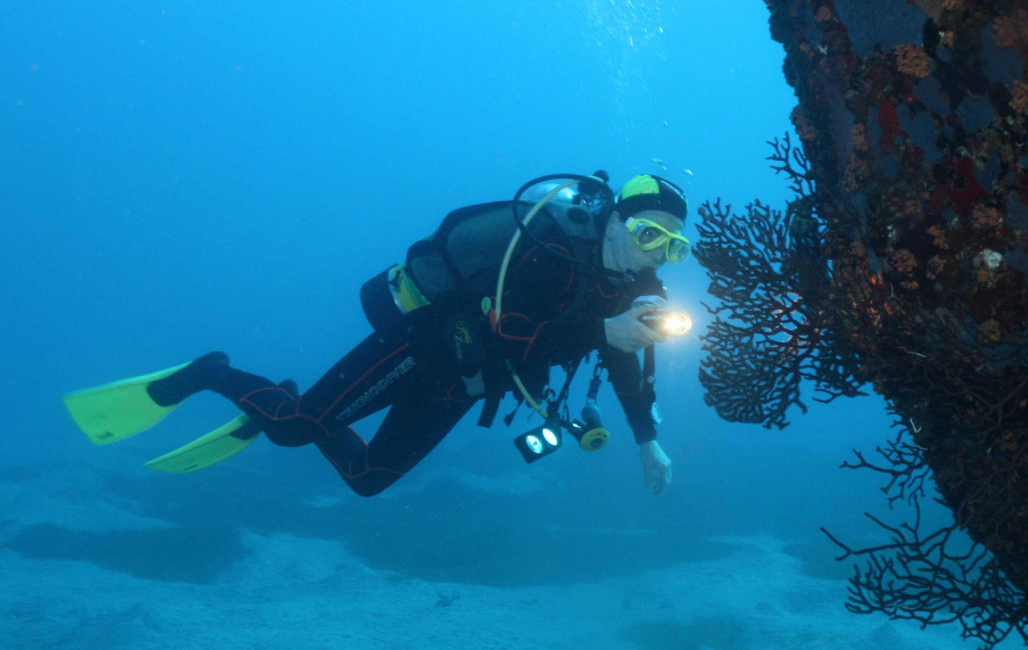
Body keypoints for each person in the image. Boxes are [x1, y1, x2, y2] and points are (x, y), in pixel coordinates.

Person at [63, 174, 692, 495]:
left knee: (369, 480)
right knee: (291, 431)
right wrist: (600, 327)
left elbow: (625, 365)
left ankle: (290, 396)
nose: (657, 254)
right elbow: (511, 329)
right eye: (647, 234)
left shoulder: (637, 293)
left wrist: (647, 440)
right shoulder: (552, 249)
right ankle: (211, 373)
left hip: (465, 388)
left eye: (673, 244)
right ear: (614, 220)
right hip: (424, 346)